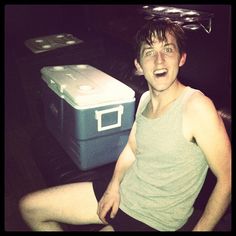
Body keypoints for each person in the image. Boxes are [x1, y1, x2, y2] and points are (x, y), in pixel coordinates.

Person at [19, 19, 231, 231]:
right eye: (149, 52)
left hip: (151, 218)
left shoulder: (197, 106)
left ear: (181, 58)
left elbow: (227, 178)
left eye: (168, 49)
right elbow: (131, 148)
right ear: (138, 65)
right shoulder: (146, 99)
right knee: (29, 207)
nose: (159, 60)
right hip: (125, 192)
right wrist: (113, 186)